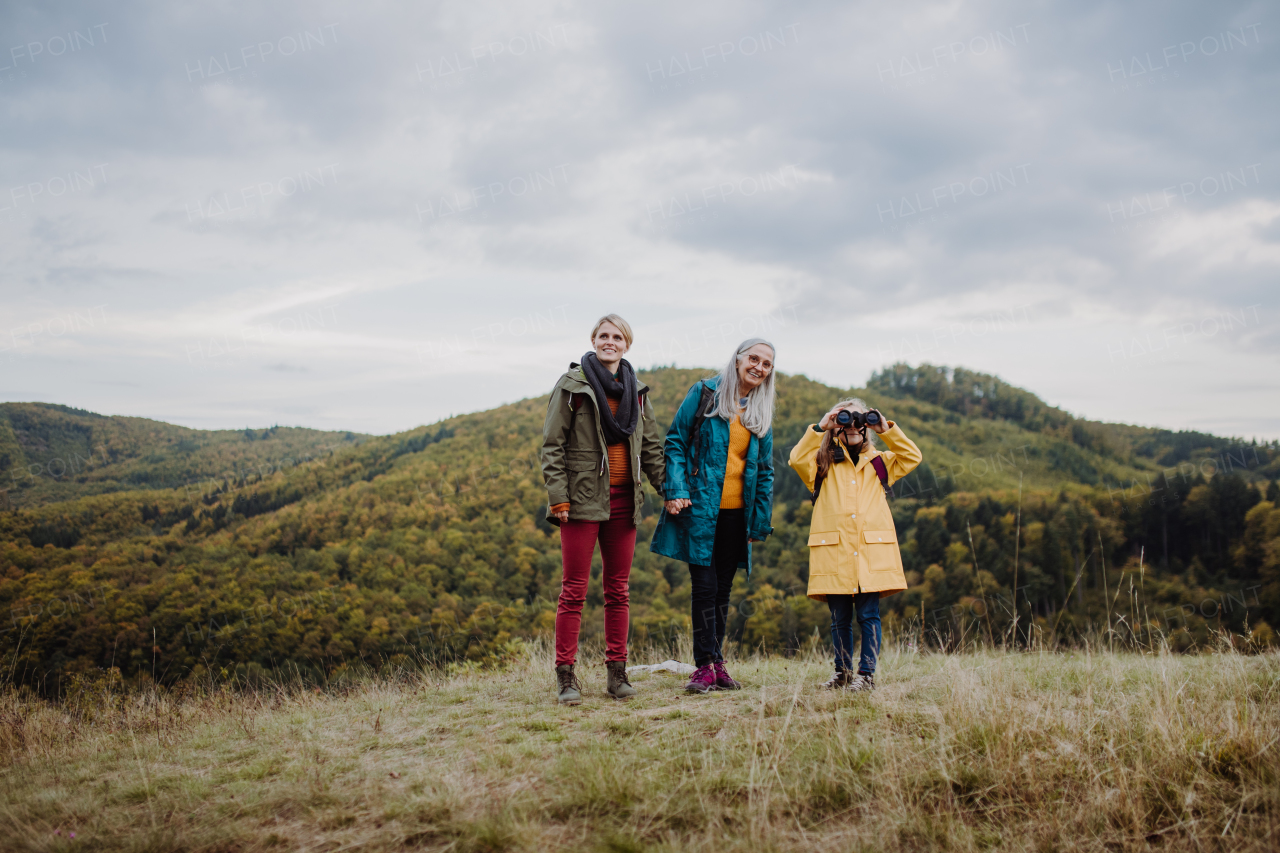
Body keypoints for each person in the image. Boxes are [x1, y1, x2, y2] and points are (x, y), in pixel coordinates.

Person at [540, 314, 666, 705]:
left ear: (627, 344)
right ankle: (566, 677)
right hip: (580, 501)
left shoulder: (638, 391)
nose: (609, 342)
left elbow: (651, 448)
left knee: (618, 590)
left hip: (625, 501)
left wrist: (670, 491)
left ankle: (617, 673)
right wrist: (558, 497)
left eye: (617, 337)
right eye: (603, 336)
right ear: (593, 340)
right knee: (574, 591)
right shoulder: (573, 386)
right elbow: (551, 445)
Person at [651, 338, 776, 693]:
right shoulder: (705, 392)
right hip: (701, 509)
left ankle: (717, 664)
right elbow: (674, 441)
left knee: (723, 591)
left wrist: (759, 521)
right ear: (738, 359)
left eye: (766, 364)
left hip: (738, 515)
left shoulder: (761, 410)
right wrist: (675, 488)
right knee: (704, 589)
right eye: (754, 358)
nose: (759, 367)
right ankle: (703, 666)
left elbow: (764, 470)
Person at [788, 398, 922, 691]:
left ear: (867, 427)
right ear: (837, 427)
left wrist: (886, 429)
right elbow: (797, 458)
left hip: (869, 553)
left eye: (859, 421)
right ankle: (843, 673)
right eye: (846, 419)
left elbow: (913, 456)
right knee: (839, 619)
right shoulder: (821, 465)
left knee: (868, 615)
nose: (853, 426)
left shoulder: (880, 461)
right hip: (834, 552)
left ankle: (867, 675)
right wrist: (821, 426)